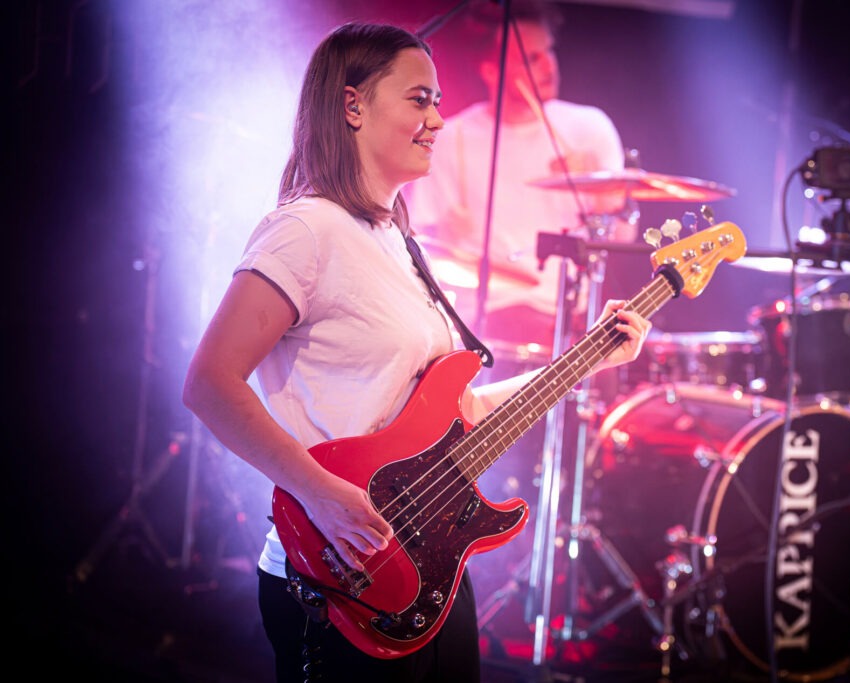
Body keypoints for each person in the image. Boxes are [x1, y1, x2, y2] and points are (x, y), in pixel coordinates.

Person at [181, 22, 651, 683]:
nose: (436, 118)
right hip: (338, 579)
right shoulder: (306, 228)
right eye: (418, 99)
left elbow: (460, 411)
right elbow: (208, 383)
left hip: (426, 574)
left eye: (437, 100)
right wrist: (320, 494)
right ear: (352, 106)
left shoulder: (399, 242)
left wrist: (586, 360)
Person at [406, 1, 633, 349]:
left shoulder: (588, 128)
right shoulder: (452, 138)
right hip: (480, 321)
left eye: (549, 52)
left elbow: (622, 237)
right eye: (531, 57)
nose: (547, 66)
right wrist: (448, 235)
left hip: (570, 321)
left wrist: (607, 200)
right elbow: (425, 245)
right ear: (491, 69)